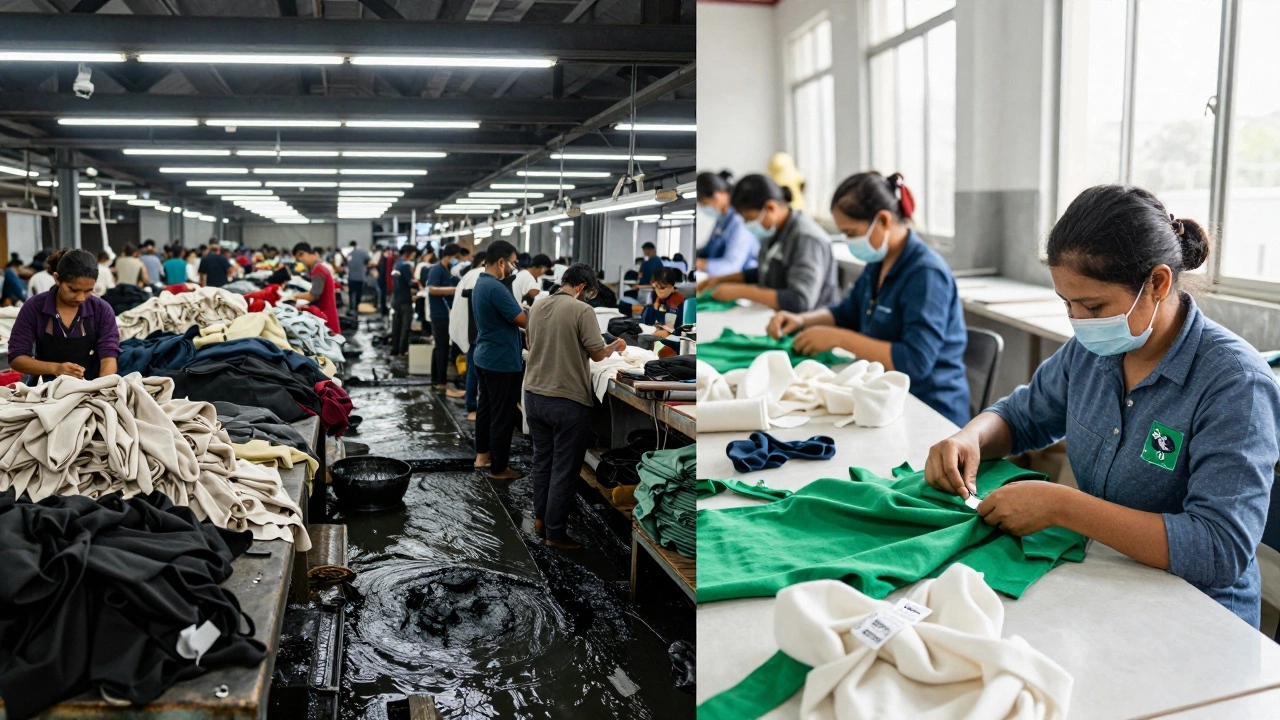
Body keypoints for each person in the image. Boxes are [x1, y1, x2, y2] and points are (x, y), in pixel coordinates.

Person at [925, 185, 1280, 628]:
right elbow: (1021, 416)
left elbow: (1218, 548)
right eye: (1066, 304)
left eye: (1092, 306)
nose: (1077, 321)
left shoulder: (1234, 384)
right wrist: (969, 437)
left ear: (1157, 283)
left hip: (1199, 618)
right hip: (1107, 577)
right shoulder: (1092, 352)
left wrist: (1061, 507)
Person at [766, 171, 970, 426]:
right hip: (882, 397)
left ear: (883, 220)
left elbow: (915, 362)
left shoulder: (926, 274)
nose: (850, 241)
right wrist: (801, 320)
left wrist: (839, 338)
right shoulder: (878, 262)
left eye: (852, 232)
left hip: (930, 410)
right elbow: (847, 312)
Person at [525, 262, 626, 549]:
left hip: (534, 396)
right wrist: (615, 346)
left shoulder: (536, 307)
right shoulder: (582, 310)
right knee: (565, 469)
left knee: (542, 461)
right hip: (567, 401)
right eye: (588, 294)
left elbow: (533, 346)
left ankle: (541, 520)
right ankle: (555, 535)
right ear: (582, 288)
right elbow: (596, 355)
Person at [698, 174, 838, 311]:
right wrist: (722, 280)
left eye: (749, 219)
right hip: (777, 316)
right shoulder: (772, 230)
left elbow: (799, 300)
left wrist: (740, 291)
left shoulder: (807, 238)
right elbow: (765, 273)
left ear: (770, 208)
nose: (747, 225)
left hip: (810, 325)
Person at [7, 249, 119, 382]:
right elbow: (16, 358)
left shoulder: (101, 309)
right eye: (73, 290)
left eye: (88, 291)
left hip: (90, 383)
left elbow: (108, 356)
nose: (80, 298)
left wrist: (100, 387)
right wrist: (56, 369)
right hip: (46, 387)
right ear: (57, 279)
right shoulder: (35, 307)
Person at [471, 240, 526, 481]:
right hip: (501, 361)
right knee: (502, 415)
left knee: (486, 409)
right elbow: (522, 319)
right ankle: (499, 468)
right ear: (501, 262)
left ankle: (482, 457)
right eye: (513, 263)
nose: (514, 268)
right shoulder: (496, 288)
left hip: (484, 357)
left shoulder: (481, 283)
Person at [696, 170, 759, 277]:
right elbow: (709, 249)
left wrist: (701, 264)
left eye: (705, 204)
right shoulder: (722, 219)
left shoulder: (739, 221)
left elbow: (732, 266)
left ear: (716, 196)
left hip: (740, 283)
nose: (705, 208)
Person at [451, 251, 488, 421]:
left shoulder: (472, 275)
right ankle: (471, 406)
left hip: (471, 331)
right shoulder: (478, 276)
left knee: (474, 369)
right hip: (474, 332)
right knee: (474, 370)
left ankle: (472, 404)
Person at [427, 244, 464, 396]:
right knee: (441, 347)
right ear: (451, 256)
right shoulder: (437, 269)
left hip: (444, 312)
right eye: (457, 257)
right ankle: (440, 382)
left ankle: (437, 380)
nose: (457, 260)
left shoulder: (446, 269)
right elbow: (432, 289)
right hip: (439, 313)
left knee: (440, 347)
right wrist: (456, 290)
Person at [291, 242, 342, 336]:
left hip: (326, 317)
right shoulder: (321, 266)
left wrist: (295, 296)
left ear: (302, 253)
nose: (302, 263)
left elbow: (313, 296)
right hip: (329, 314)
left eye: (300, 260)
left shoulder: (318, 269)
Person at [389, 245, 419, 357]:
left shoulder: (397, 263)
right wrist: (419, 284)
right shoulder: (406, 265)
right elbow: (410, 282)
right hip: (404, 300)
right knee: (405, 327)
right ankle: (403, 351)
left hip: (396, 299)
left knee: (396, 326)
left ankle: (395, 349)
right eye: (413, 254)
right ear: (410, 253)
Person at [345, 241, 370, 317]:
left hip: (351, 277)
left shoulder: (349, 254)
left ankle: (351, 308)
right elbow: (368, 260)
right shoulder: (363, 252)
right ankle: (356, 308)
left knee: (351, 294)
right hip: (360, 278)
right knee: (358, 294)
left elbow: (346, 264)